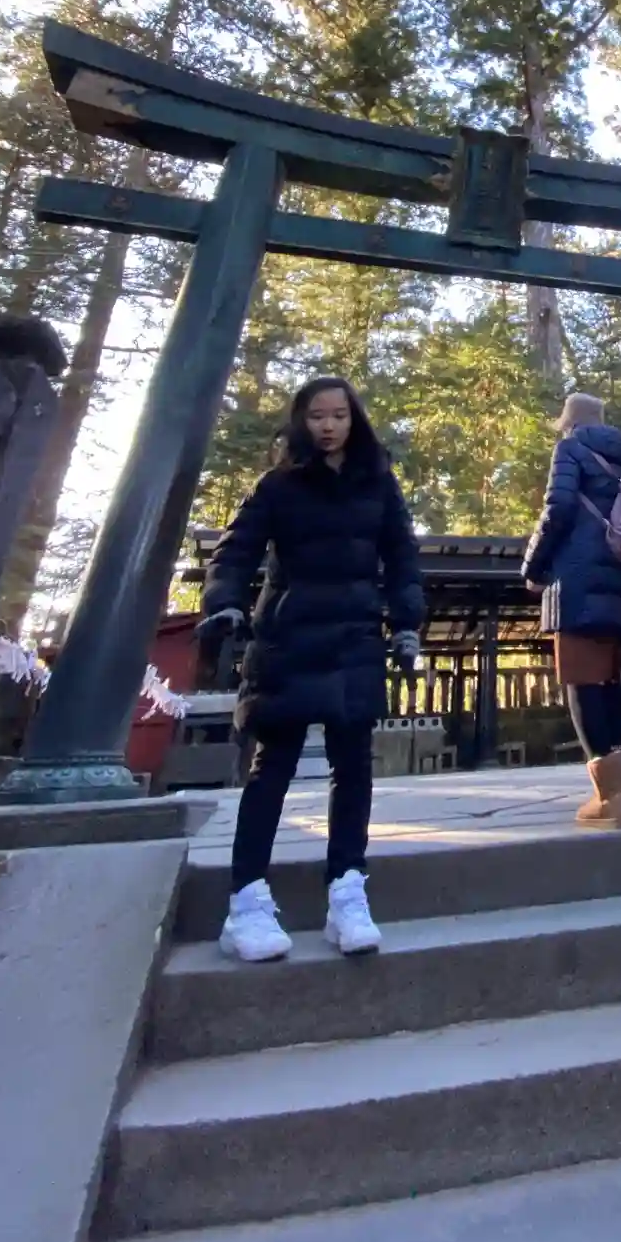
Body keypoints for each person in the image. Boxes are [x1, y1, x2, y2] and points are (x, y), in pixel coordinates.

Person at [198, 376, 423, 963]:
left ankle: (347, 891)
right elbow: (236, 549)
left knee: (354, 767)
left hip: (355, 637)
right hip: (289, 637)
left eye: (339, 415)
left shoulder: (379, 484)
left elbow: (402, 557)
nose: (328, 426)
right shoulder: (277, 485)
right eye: (318, 415)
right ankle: (246, 902)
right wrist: (224, 601)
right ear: (302, 420)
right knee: (271, 768)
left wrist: (407, 621)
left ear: (354, 419)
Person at [523, 392, 621, 829]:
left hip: (577, 582)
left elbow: (558, 507)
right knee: (609, 684)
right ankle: (620, 789)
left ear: (569, 421)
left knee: (581, 684)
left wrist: (533, 565)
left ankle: (609, 799)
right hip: (620, 583)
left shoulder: (570, 449)